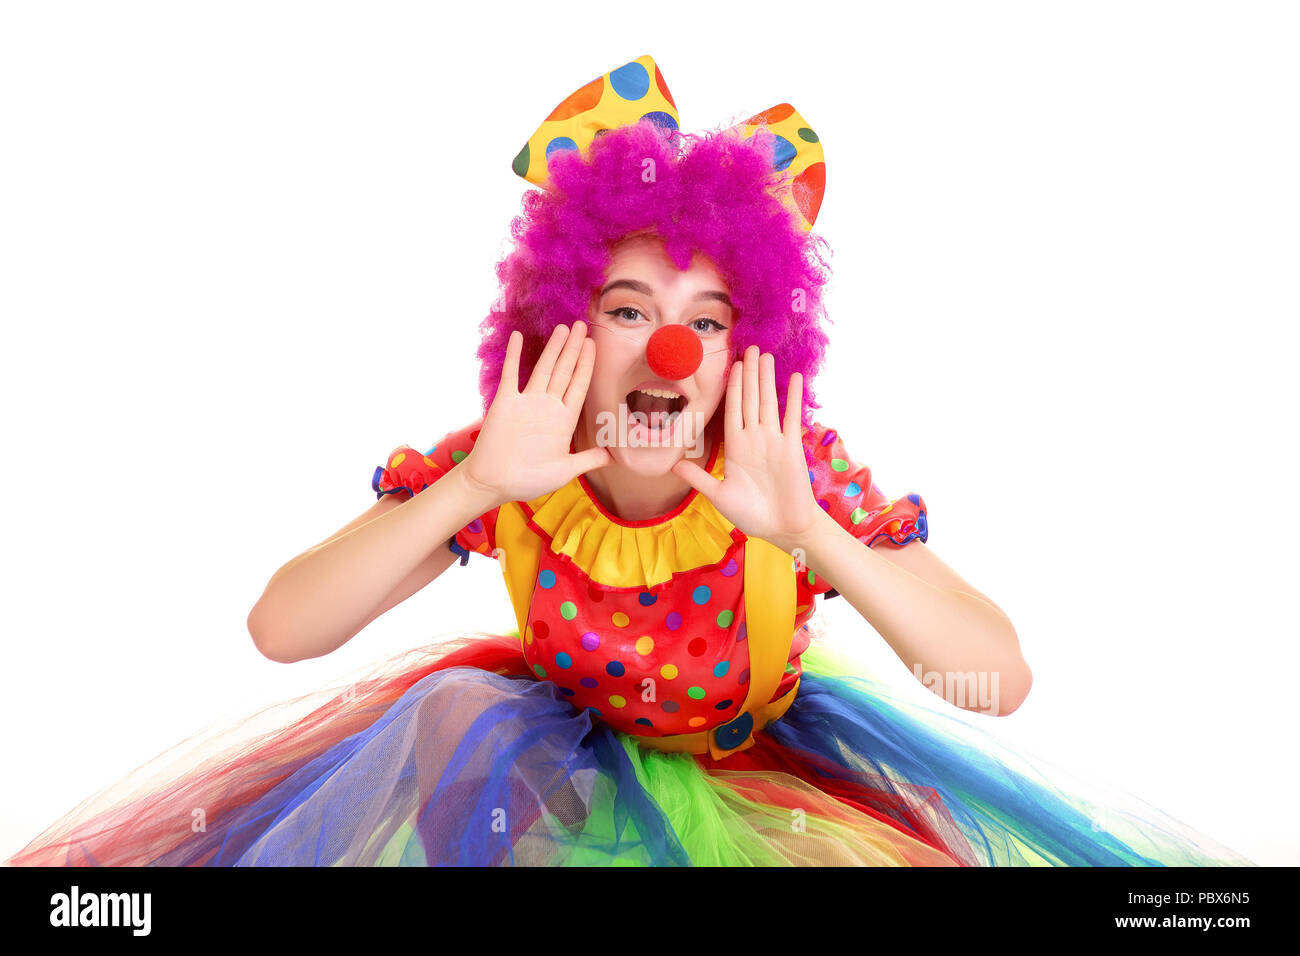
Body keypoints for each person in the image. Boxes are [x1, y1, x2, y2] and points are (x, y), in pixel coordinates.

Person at [6, 57, 1252, 867]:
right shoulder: (518, 457)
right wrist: (472, 488)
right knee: (450, 715)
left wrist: (812, 533)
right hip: (549, 760)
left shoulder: (782, 467)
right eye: (627, 307)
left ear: (744, 348)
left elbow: (998, 675)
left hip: (751, 763)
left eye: (708, 319)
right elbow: (283, 628)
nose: (669, 345)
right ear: (565, 320)